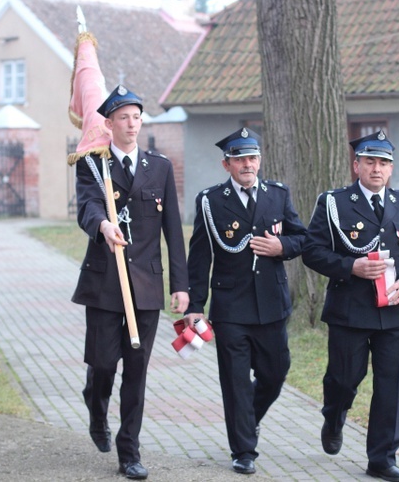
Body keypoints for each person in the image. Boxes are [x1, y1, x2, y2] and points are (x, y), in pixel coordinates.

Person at [71, 85, 189, 480]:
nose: (132, 124)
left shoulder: (159, 166)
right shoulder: (93, 164)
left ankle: (130, 452)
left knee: (136, 372)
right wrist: (103, 225)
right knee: (104, 363)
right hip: (106, 281)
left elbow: (173, 228)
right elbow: (87, 207)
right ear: (109, 123)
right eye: (123, 117)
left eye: (137, 116)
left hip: (146, 285)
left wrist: (181, 284)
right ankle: (95, 403)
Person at [301, 130, 399, 482]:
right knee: (345, 380)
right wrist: (351, 266)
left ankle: (382, 459)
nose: (377, 169)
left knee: (390, 386)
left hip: (395, 311)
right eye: (370, 162)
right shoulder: (334, 202)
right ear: (356, 165)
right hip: (351, 310)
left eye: (384, 163)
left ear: (391, 169)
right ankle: (334, 414)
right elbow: (312, 251)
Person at [182, 127, 307, 475]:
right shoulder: (210, 201)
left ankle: (246, 420)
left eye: (252, 158)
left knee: (275, 373)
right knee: (235, 381)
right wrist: (195, 305)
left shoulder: (278, 196)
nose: (248, 165)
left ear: (259, 161)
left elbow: (302, 238)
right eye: (240, 160)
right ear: (227, 165)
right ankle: (244, 450)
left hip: (271, 303)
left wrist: (282, 248)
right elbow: (200, 256)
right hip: (231, 307)